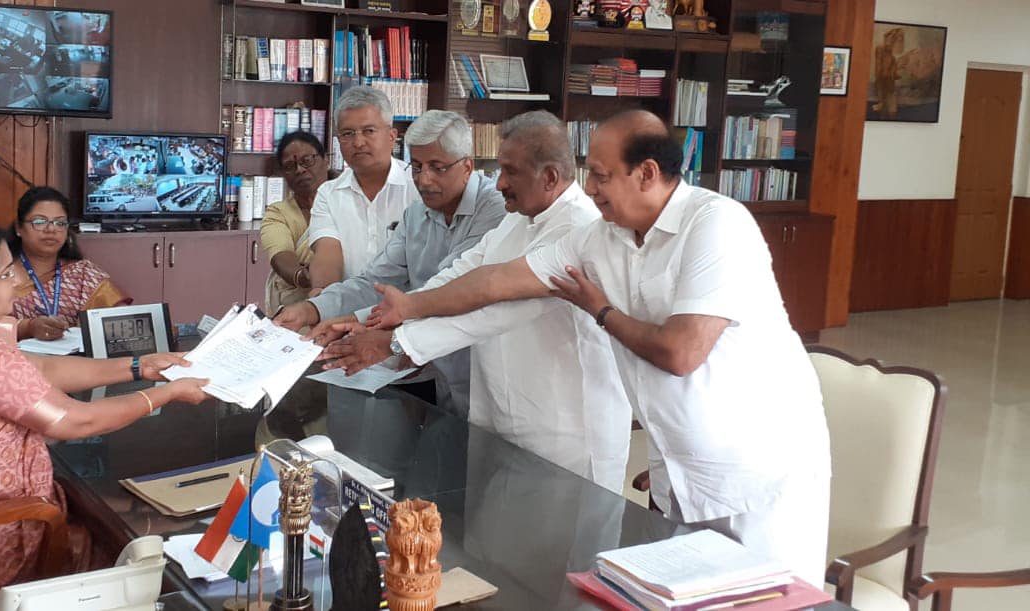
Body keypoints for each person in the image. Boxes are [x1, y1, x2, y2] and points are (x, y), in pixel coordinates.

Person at [364, 110, 831, 586]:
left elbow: (680, 353)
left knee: (768, 597)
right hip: (679, 464)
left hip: (758, 471)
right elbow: (497, 280)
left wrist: (602, 310)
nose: (589, 189)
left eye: (602, 176)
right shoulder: (601, 236)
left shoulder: (717, 224)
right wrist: (410, 306)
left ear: (646, 173)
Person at [0, 222, 209, 610]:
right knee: (125, 545)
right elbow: (75, 421)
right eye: (5, 273)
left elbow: (43, 369)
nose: (15, 281)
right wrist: (166, 394)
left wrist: (138, 366)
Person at [319, 111, 631, 490]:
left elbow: (497, 311)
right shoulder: (521, 218)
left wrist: (397, 340)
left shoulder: (579, 229)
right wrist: (391, 315)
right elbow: (465, 272)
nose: (499, 184)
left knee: (552, 545)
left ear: (548, 176)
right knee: (490, 542)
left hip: (564, 434)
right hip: (500, 418)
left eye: (510, 172)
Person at [274, 110, 509, 414]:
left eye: (437, 168)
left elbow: (448, 286)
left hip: (488, 375)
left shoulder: (495, 210)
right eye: (417, 167)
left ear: (467, 166)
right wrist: (312, 309)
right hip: (438, 372)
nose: (424, 179)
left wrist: (355, 321)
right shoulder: (417, 214)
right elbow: (376, 282)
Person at [306, 86, 421, 289]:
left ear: (392, 136)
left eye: (369, 131)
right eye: (347, 134)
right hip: (346, 309)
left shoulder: (418, 187)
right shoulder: (329, 194)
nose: (358, 142)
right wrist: (322, 300)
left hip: (409, 311)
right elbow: (327, 256)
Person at [8, 186, 131, 341]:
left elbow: (123, 320)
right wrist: (28, 327)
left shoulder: (84, 274)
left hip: (74, 361)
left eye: (60, 223)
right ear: (18, 228)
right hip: (13, 360)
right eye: (39, 221)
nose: (51, 229)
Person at [260, 131, 330, 314]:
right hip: (296, 311)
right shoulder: (278, 213)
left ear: (326, 160)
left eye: (307, 160)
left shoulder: (347, 202)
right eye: (290, 166)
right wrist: (304, 276)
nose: (299, 169)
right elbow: (280, 254)